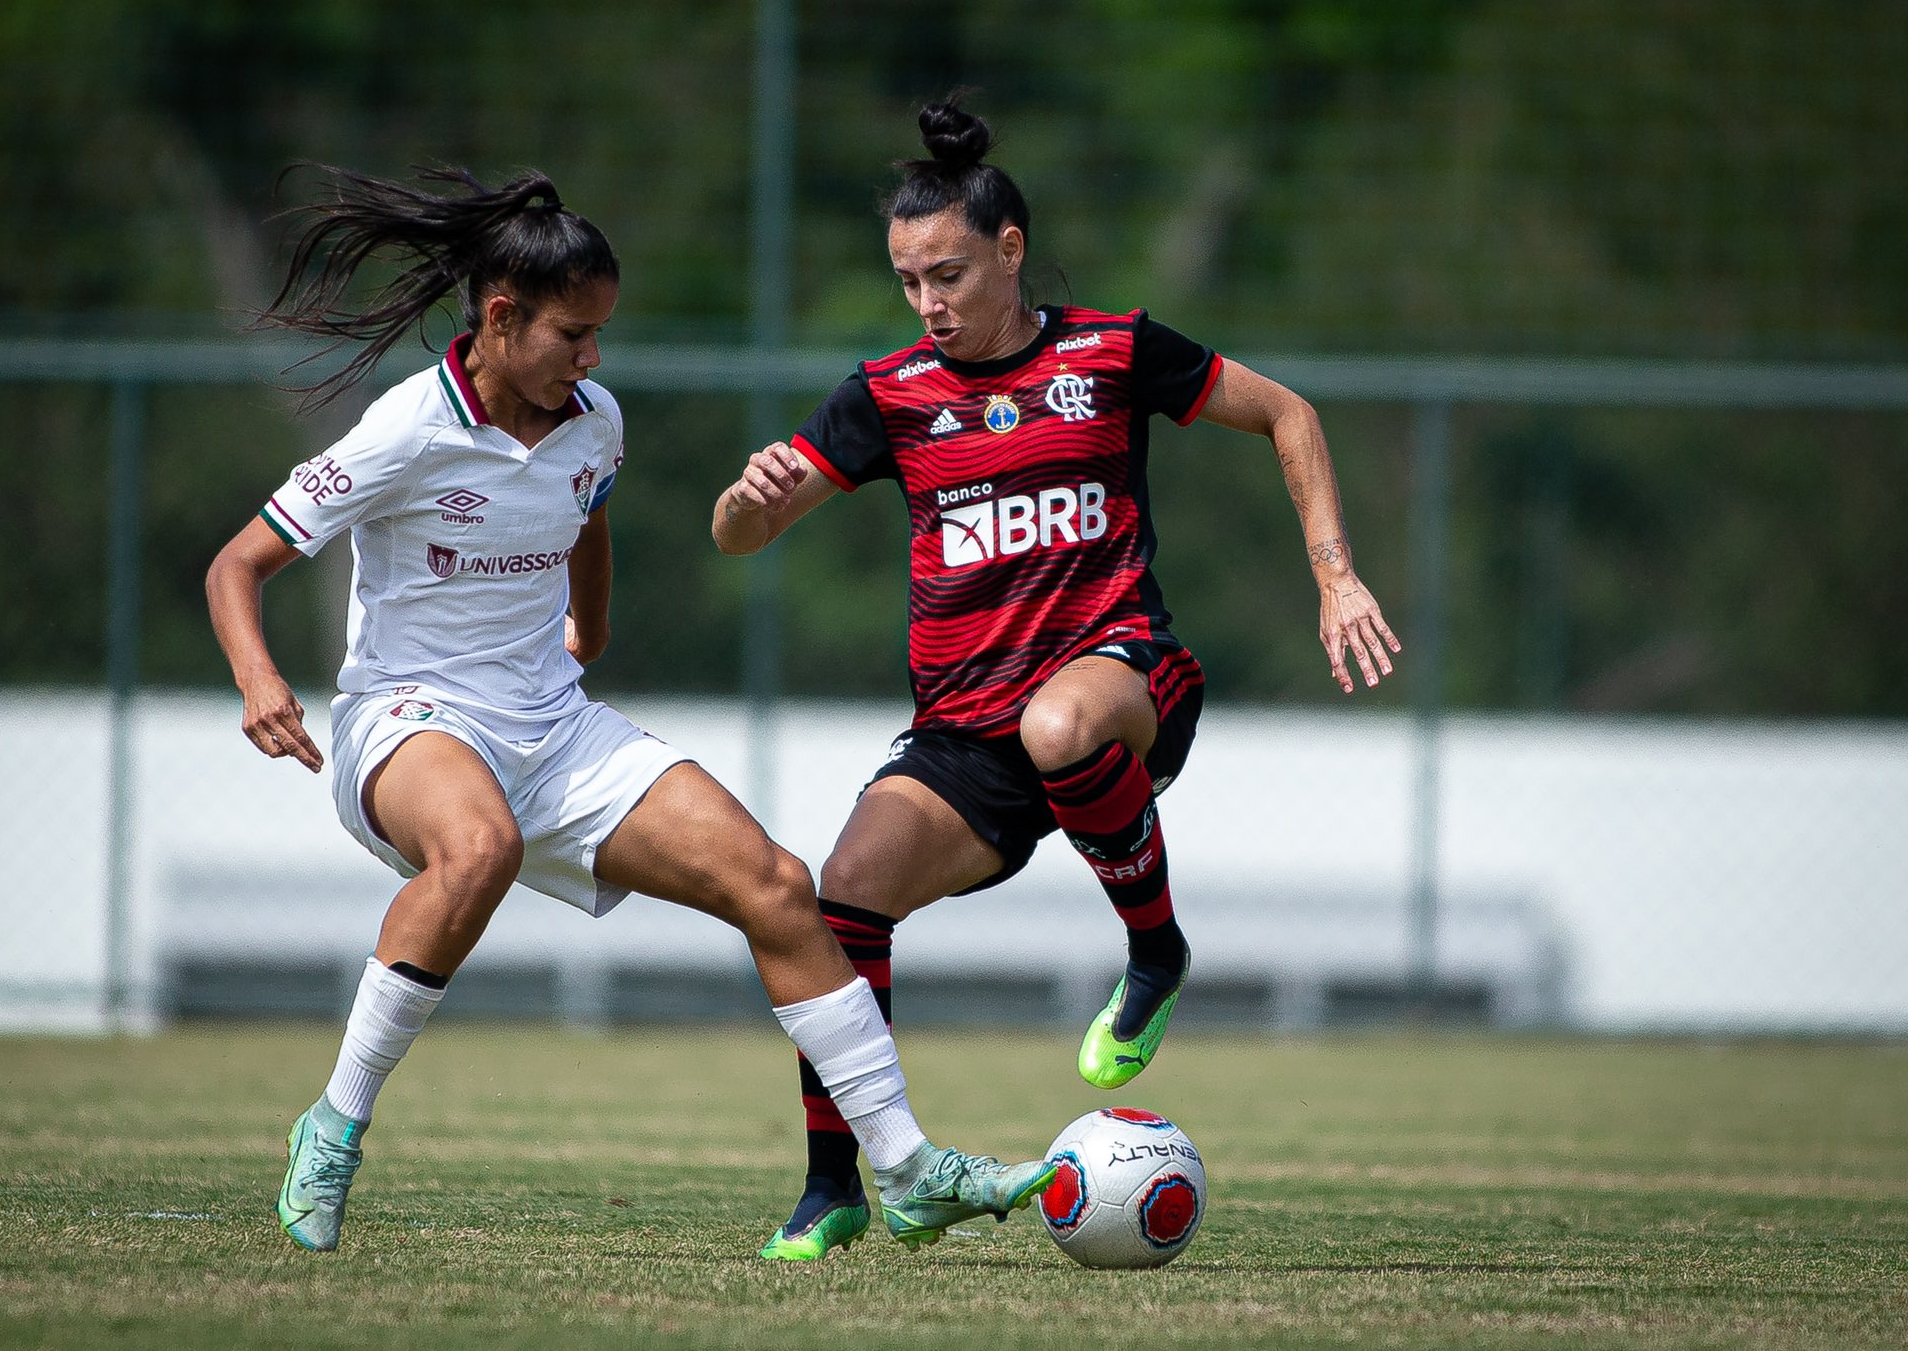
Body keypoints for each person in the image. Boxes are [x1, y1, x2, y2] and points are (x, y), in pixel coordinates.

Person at [204, 163, 1055, 1255]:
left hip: (553, 726)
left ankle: (906, 1169)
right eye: (572, 334)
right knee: (478, 847)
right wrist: (260, 679)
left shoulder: (591, 419)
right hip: (406, 720)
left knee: (778, 885)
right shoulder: (406, 428)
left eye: (600, 334)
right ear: (501, 318)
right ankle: (331, 1127)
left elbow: (588, 517)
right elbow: (238, 564)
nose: (592, 359)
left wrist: (587, 635)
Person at [713, 100, 1401, 1261]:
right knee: (842, 893)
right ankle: (837, 1182)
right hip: (963, 735)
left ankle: (1153, 950)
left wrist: (1333, 575)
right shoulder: (884, 395)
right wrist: (746, 503)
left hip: (1121, 683)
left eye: (948, 274)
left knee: (1059, 719)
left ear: (1009, 250)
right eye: (906, 281)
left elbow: (1288, 413)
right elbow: (738, 540)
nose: (927, 303)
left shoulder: (1112, 351)